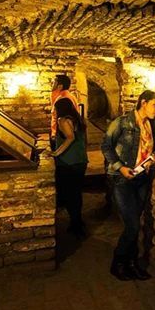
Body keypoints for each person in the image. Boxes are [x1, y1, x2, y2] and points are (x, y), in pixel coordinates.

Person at [101, 90, 155, 281]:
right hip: (124, 180)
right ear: (143, 102)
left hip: (142, 178)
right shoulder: (122, 122)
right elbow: (106, 146)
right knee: (133, 226)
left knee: (134, 223)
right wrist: (120, 167)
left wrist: (152, 158)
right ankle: (118, 263)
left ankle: (132, 263)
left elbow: (147, 149)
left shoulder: (150, 125)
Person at [50, 99, 88, 239]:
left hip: (68, 162)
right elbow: (83, 140)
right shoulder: (77, 119)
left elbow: (70, 137)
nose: (54, 111)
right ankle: (78, 222)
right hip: (80, 160)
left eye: (55, 108)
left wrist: (56, 153)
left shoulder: (63, 120)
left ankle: (76, 225)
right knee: (76, 193)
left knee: (69, 194)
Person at [50, 75, 79, 151]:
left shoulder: (64, 99)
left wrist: (54, 134)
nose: (51, 84)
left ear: (60, 86)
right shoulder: (62, 96)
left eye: (54, 82)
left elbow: (62, 119)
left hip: (63, 135)